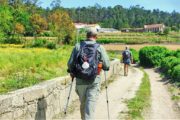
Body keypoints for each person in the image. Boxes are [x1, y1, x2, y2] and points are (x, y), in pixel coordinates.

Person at [67, 30, 110, 120]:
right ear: (96, 37)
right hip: (94, 81)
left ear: (86, 36)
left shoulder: (78, 46)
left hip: (80, 81)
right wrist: (104, 67)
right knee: (89, 107)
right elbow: (107, 64)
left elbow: (70, 63)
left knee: (83, 104)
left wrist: (71, 71)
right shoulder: (99, 47)